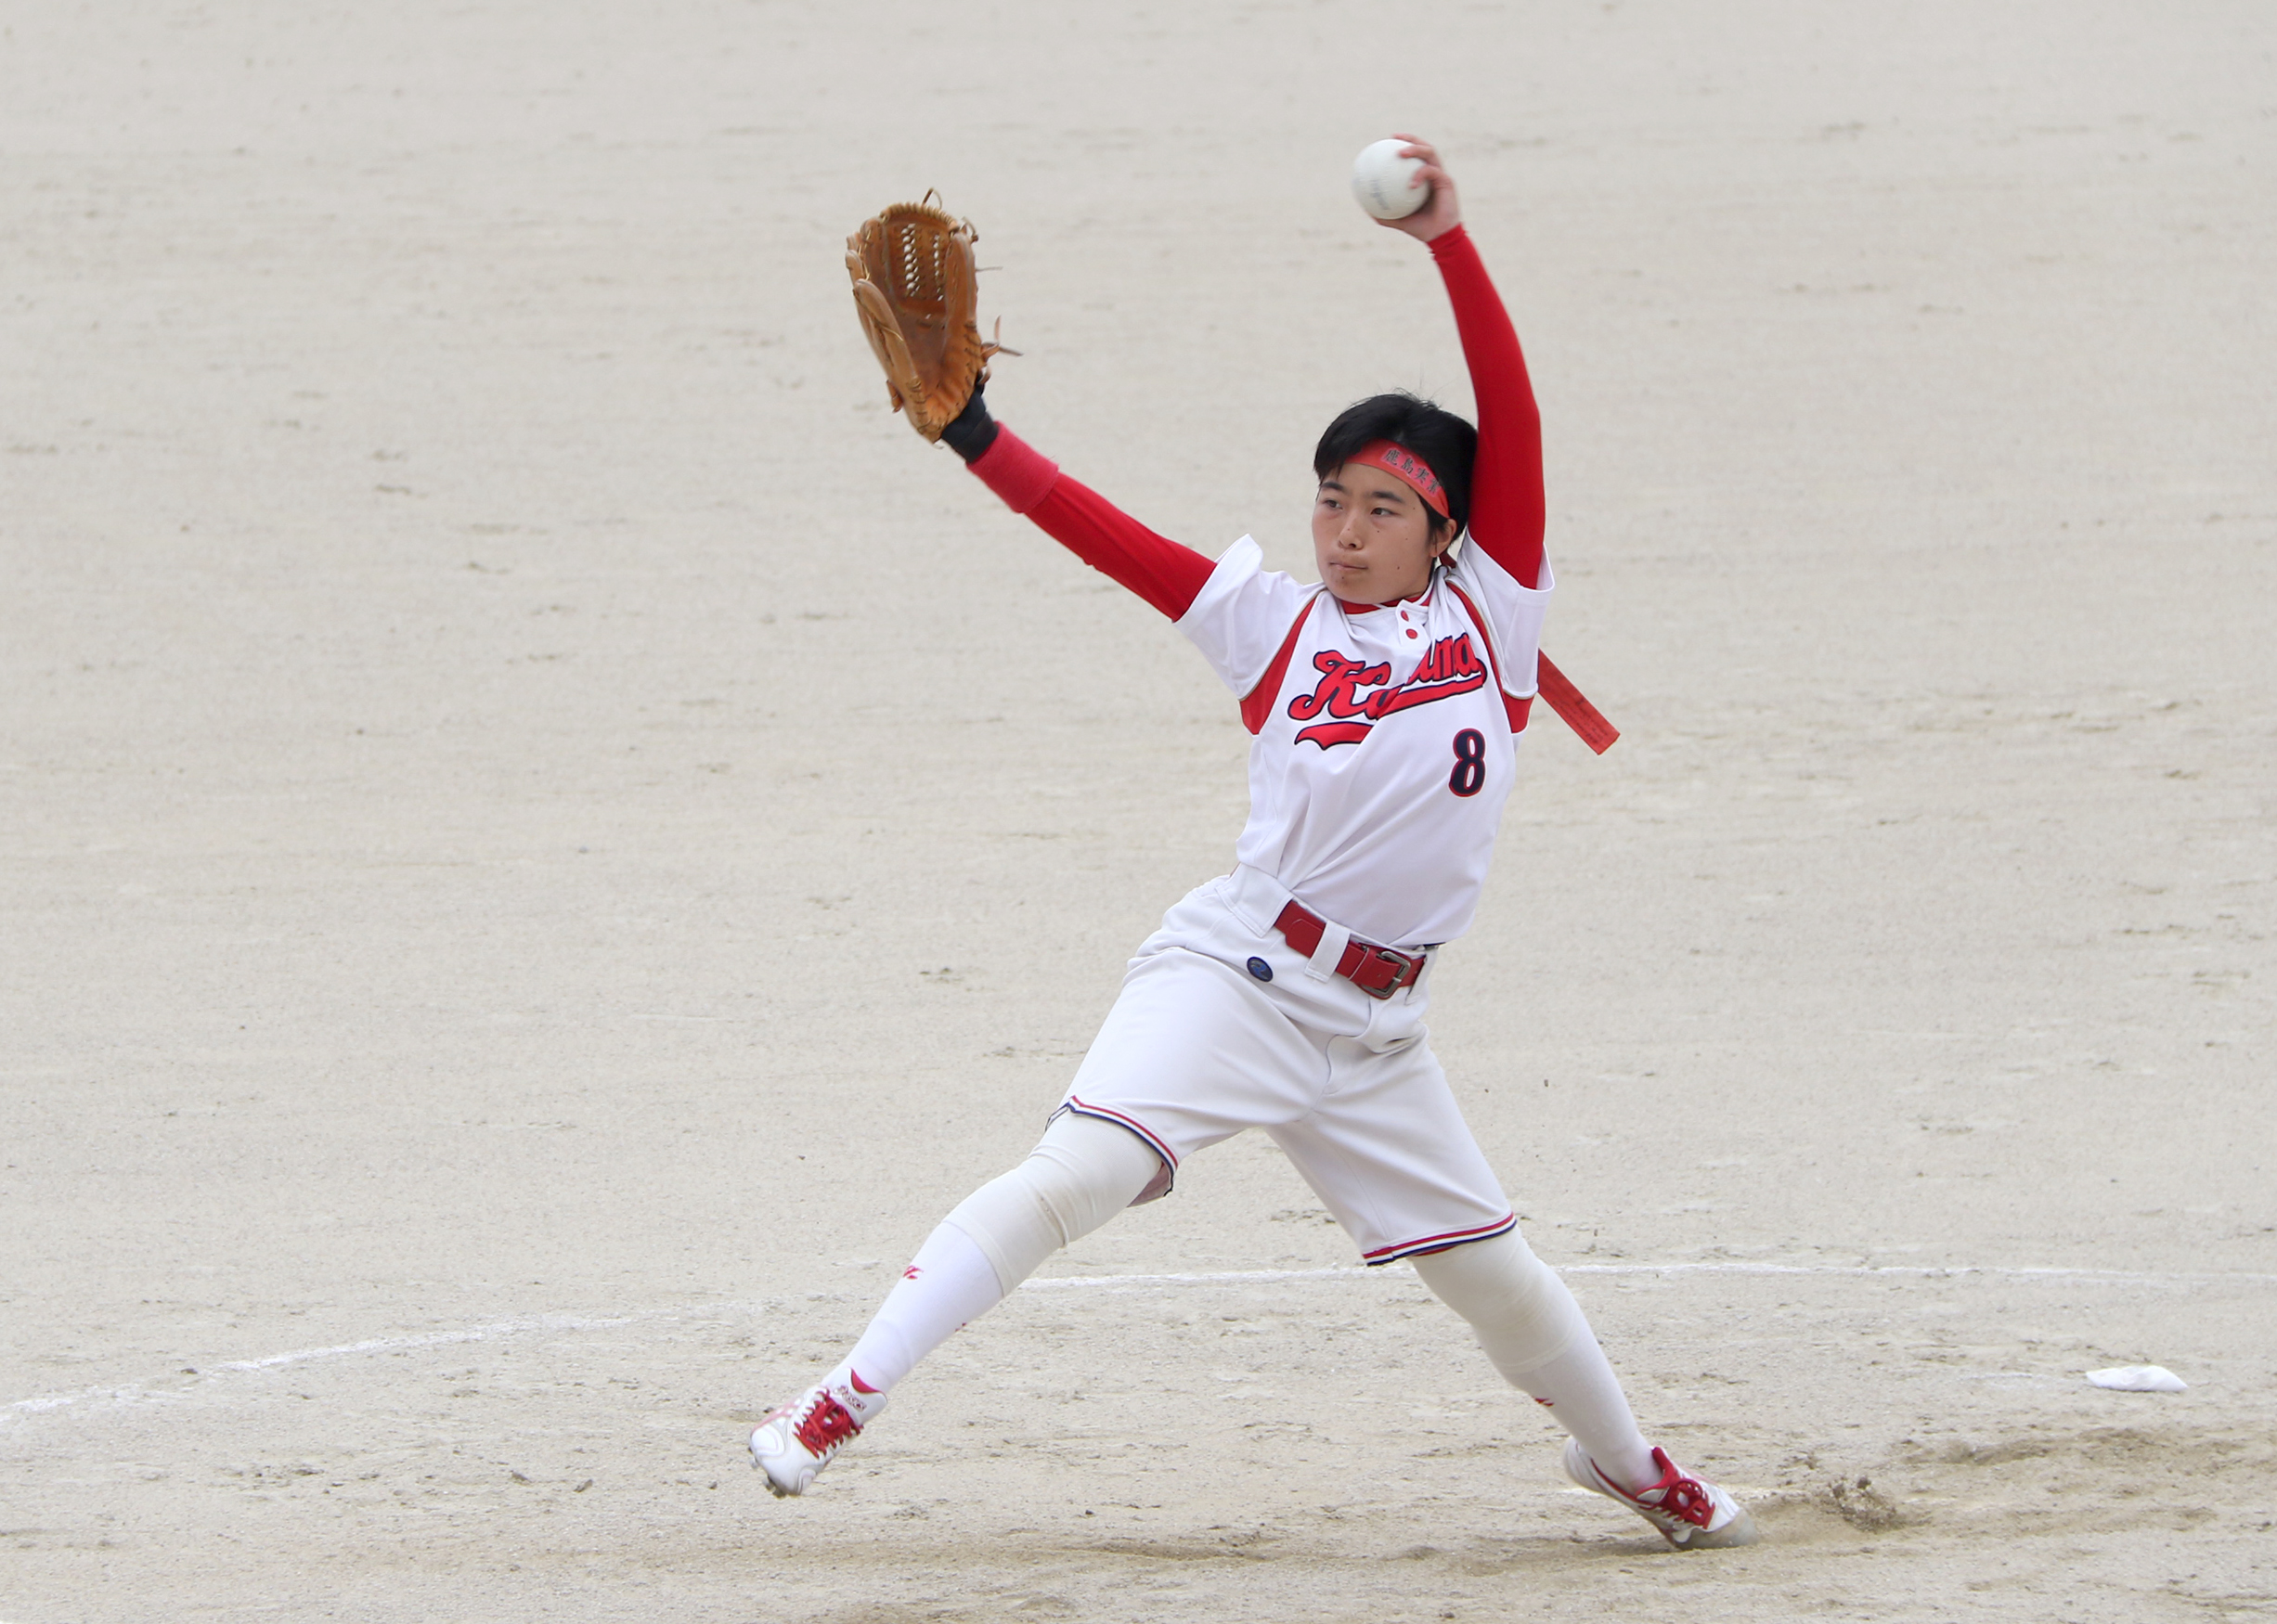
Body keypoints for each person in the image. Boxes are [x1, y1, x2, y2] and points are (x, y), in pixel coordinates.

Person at [753, 137, 1757, 1551]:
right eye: (1329, 499)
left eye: (1381, 506)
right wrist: (973, 430)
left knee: (1501, 1284)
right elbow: (1101, 535)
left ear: (1449, 529)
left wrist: (1447, 243)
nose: (1343, 532)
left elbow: (1512, 414)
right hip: (1237, 975)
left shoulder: (1494, 617)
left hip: (1378, 1035)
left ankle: (1632, 1467)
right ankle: (842, 1393)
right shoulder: (1274, 624)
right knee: (1079, 1171)